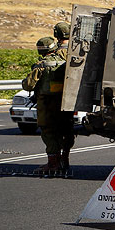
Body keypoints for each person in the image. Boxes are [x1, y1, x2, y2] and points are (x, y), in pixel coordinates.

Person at [22, 36, 70, 174]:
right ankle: (64, 160)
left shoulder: (42, 65)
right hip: (63, 102)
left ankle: (53, 164)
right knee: (65, 130)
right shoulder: (65, 62)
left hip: (46, 104)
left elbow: (28, 85)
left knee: (48, 132)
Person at [53, 21, 75, 170]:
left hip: (55, 96)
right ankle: (65, 156)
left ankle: (56, 160)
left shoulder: (56, 52)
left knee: (53, 129)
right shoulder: (76, 49)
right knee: (68, 128)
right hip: (70, 96)